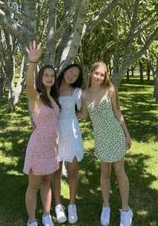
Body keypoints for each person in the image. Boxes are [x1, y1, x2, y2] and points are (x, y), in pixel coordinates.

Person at [79, 61, 133, 226]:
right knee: (104, 173)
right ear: (90, 73)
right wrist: (64, 112)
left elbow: (118, 112)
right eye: (97, 73)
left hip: (115, 135)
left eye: (102, 75)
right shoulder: (85, 94)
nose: (99, 77)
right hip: (101, 138)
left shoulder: (110, 90)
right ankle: (106, 206)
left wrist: (127, 135)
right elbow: (83, 115)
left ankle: (125, 210)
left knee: (119, 171)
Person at [23, 41, 61, 226]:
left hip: (52, 147)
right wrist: (32, 63)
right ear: (41, 77)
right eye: (45, 75)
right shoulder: (36, 96)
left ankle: (46, 215)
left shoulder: (54, 97)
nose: (49, 77)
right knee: (34, 185)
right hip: (38, 147)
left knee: (47, 182)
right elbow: (29, 84)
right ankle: (32, 220)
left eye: (52, 75)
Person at [52, 64, 84, 224]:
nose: (72, 75)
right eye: (71, 71)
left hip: (71, 134)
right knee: (55, 172)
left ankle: (72, 205)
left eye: (76, 75)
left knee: (73, 172)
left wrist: (70, 116)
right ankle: (58, 205)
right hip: (54, 133)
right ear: (65, 70)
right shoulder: (52, 89)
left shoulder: (77, 92)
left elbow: (84, 113)